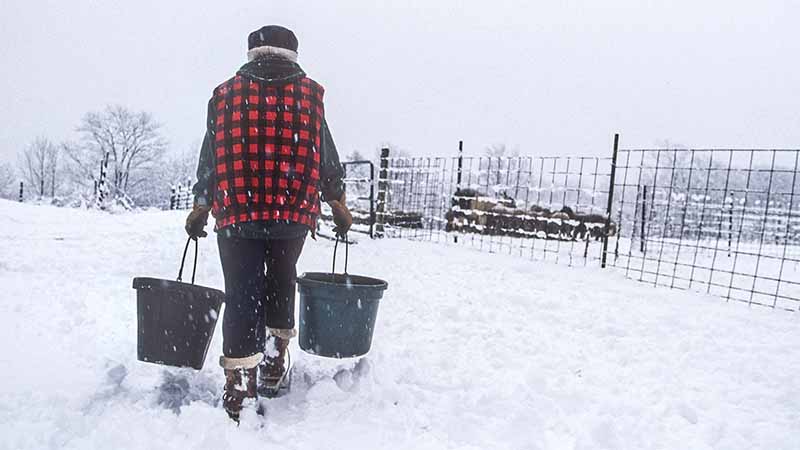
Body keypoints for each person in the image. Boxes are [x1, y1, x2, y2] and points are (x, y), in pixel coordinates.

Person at [184, 25, 353, 421]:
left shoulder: (225, 94)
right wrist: (337, 201)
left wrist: (200, 204)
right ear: (291, 54)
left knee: (242, 290)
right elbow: (324, 151)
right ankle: (275, 359)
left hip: (237, 209)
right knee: (281, 277)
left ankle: (240, 383)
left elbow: (211, 152)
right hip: (291, 210)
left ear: (252, 53)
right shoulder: (311, 94)